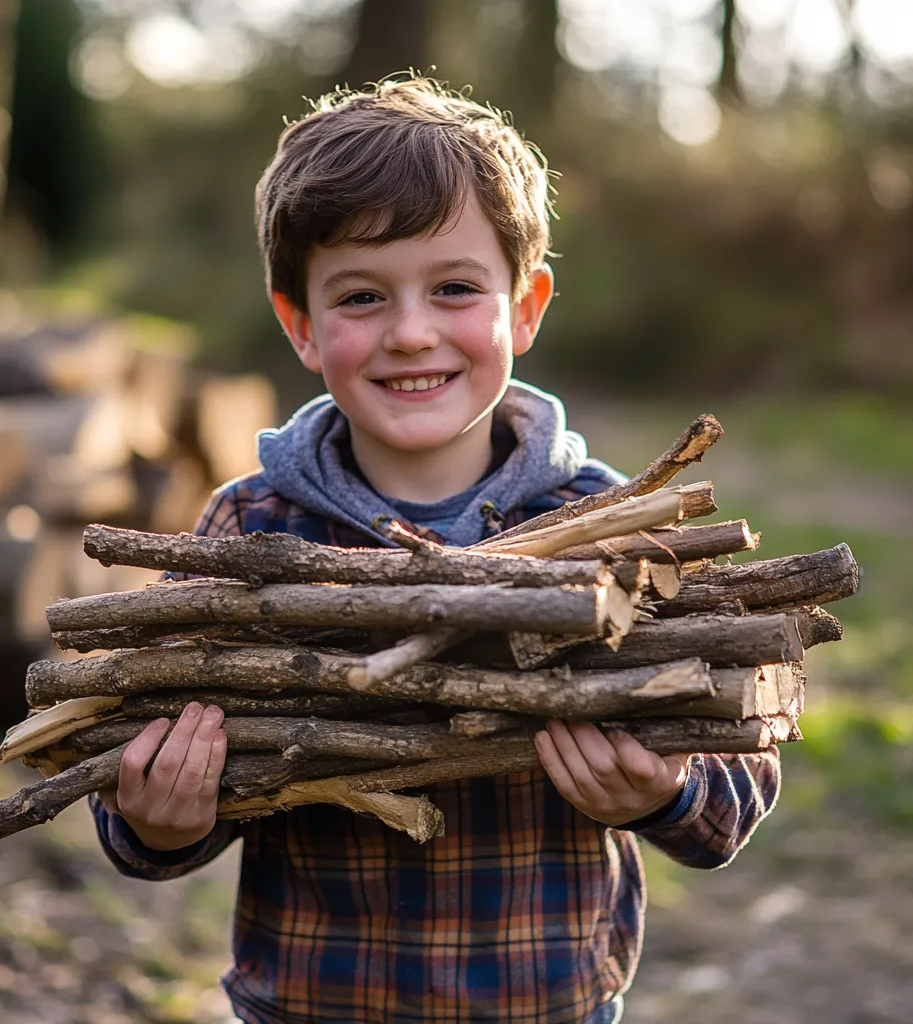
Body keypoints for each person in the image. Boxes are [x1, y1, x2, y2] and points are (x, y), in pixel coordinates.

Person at [91, 77, 780, 1024]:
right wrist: (157, 823)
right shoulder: (249, 534)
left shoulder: (618, 528)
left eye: (455, 288)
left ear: (524, 306)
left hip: (551, 1005)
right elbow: (140, 783)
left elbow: (731, 793)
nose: (411, 333)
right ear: (301, 325)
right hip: (309, 1007)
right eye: (362, 296)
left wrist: (665, 793)